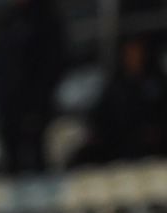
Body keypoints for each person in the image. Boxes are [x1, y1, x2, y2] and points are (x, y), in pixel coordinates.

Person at [0, 0, 65, 173]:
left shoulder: (46, 19)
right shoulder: (7, 20)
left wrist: (38, 101)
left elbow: (53, 64)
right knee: (12, 163)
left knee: (38, 159)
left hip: (36, 106)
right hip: (7, 107)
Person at [70, 37, 167, 168]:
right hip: (119, 143)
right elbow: (101, 115)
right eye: (129, 54)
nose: (133, 58)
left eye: (137, 53)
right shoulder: (116, 84)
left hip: (151, 144)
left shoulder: (156, 83)